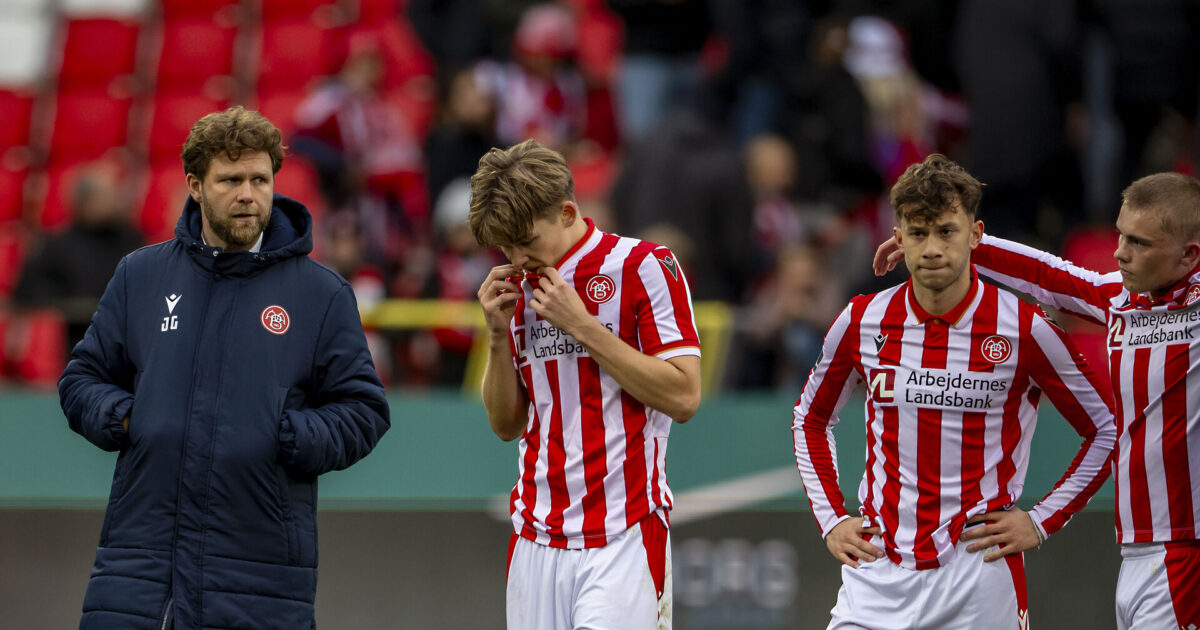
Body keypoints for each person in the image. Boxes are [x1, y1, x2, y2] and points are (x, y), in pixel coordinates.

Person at [58, 106, 391, 629]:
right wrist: (127, 418)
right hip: (139, 573)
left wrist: (286, 436)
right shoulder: (139, 276)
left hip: (262, 581)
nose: (248, 194)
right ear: (195, 184)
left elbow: (364, 411)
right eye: (231, 180)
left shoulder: (321, 294)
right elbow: (81, 380)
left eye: (260, 179)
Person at [796, 154, 1116, 628]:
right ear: (898, 236)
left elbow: (1105, 429)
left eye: (946, 231)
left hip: (979, 575)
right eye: (918, 232)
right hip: (877, 572)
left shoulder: (1025, 329)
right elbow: (811, 419)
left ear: (977, 233)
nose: (931, 249)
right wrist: (831, 519)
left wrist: (1042, 519)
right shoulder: (861, 320)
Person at [874, 170, 1200, 629]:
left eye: (1139, 243)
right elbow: (1049, 276)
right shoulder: (1122, 300)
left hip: (1187, 547)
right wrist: (949, 245)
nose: (1120, 253)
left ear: (1190, 256)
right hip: (1137, 548)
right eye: (1121, 235)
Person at [471, 139, 701, 629]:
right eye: (505, 246)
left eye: (526, 241)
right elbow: (505, 424)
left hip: (623, 531)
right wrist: (495, 334)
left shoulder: (643, 266)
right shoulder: (516, 289)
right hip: (535, 535)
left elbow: (684, 396)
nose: (517, 257)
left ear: (568, 211)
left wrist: (583, 327)